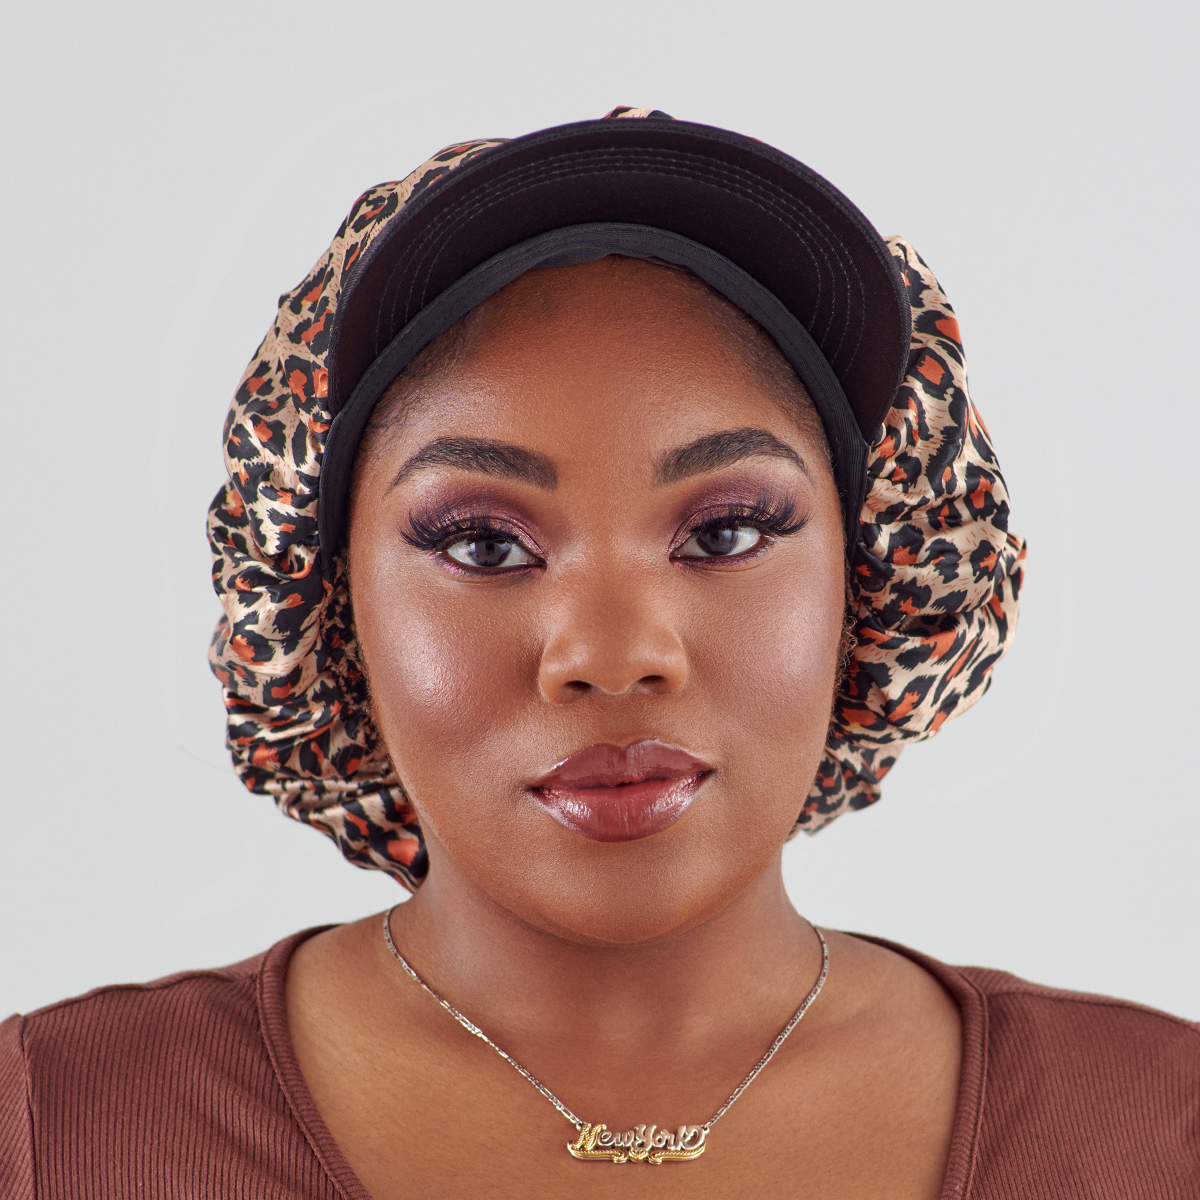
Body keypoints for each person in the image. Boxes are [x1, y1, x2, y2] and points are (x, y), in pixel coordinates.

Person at [2, 107, 1196, 1199]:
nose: (616, 657)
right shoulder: (54, 1129)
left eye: (726, 531)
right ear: (323, 608)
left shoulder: (1161, 1126)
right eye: (481, 544)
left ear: (872, 581)